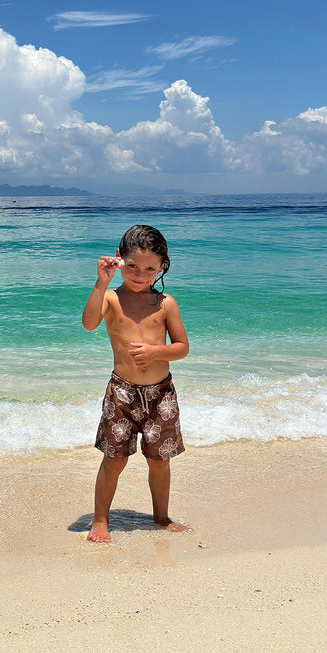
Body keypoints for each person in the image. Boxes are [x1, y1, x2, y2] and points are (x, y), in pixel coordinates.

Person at [81, 224, 192, 543]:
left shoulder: (165, 303)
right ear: (119, 261)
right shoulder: (112, 299)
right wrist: (101, 283)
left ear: (161, 268)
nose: (140, 274)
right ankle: (100, 520)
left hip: (161, 396)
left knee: (160, 461)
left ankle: (161, 518)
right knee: (114, 459)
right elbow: (89, 324)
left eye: (149, 268)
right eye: (131, 266)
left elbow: (182, 346)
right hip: (122, 394)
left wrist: (158, 351)